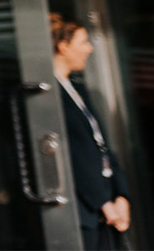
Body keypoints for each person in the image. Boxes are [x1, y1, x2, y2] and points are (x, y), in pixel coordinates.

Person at [52, 14, 131, 250]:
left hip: (105, 204)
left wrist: (121, 195)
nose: (89, 49)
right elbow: (74, 155)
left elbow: (101, 146)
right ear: (63, 47)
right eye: (83, 42)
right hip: (87, 209)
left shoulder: (78, 90)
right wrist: (103, 202)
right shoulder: (49, 96)